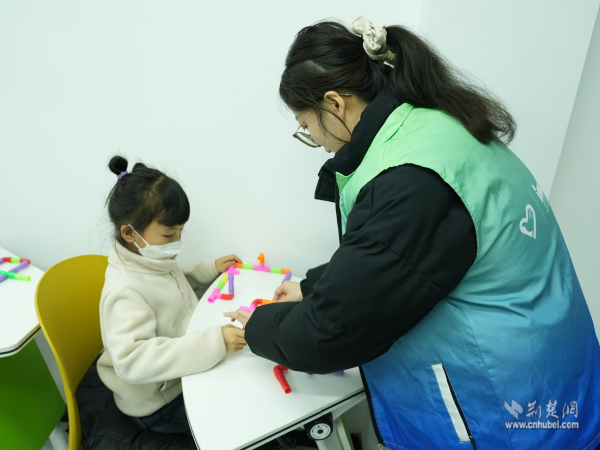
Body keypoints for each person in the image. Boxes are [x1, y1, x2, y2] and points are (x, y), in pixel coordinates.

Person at [225, 17, 600, 449]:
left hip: (505, 409)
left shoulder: (410, 179)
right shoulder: (434, 126)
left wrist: (259, 327)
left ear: (335, 103)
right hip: (550, 369)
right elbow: (407, 253)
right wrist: (312, 287)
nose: (318, 142)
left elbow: (331, 331)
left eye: (306, 125)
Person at [97, 155, 245, 435]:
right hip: (157, 403)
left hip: (180, 372)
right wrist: (214, 342)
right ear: (129, 233)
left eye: (180, 231)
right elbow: (132, 362)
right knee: (233, 418)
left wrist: (207, 270)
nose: (177, 241)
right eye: (168, 235)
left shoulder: (149, 259)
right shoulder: (124, 291)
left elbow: (170, 287)